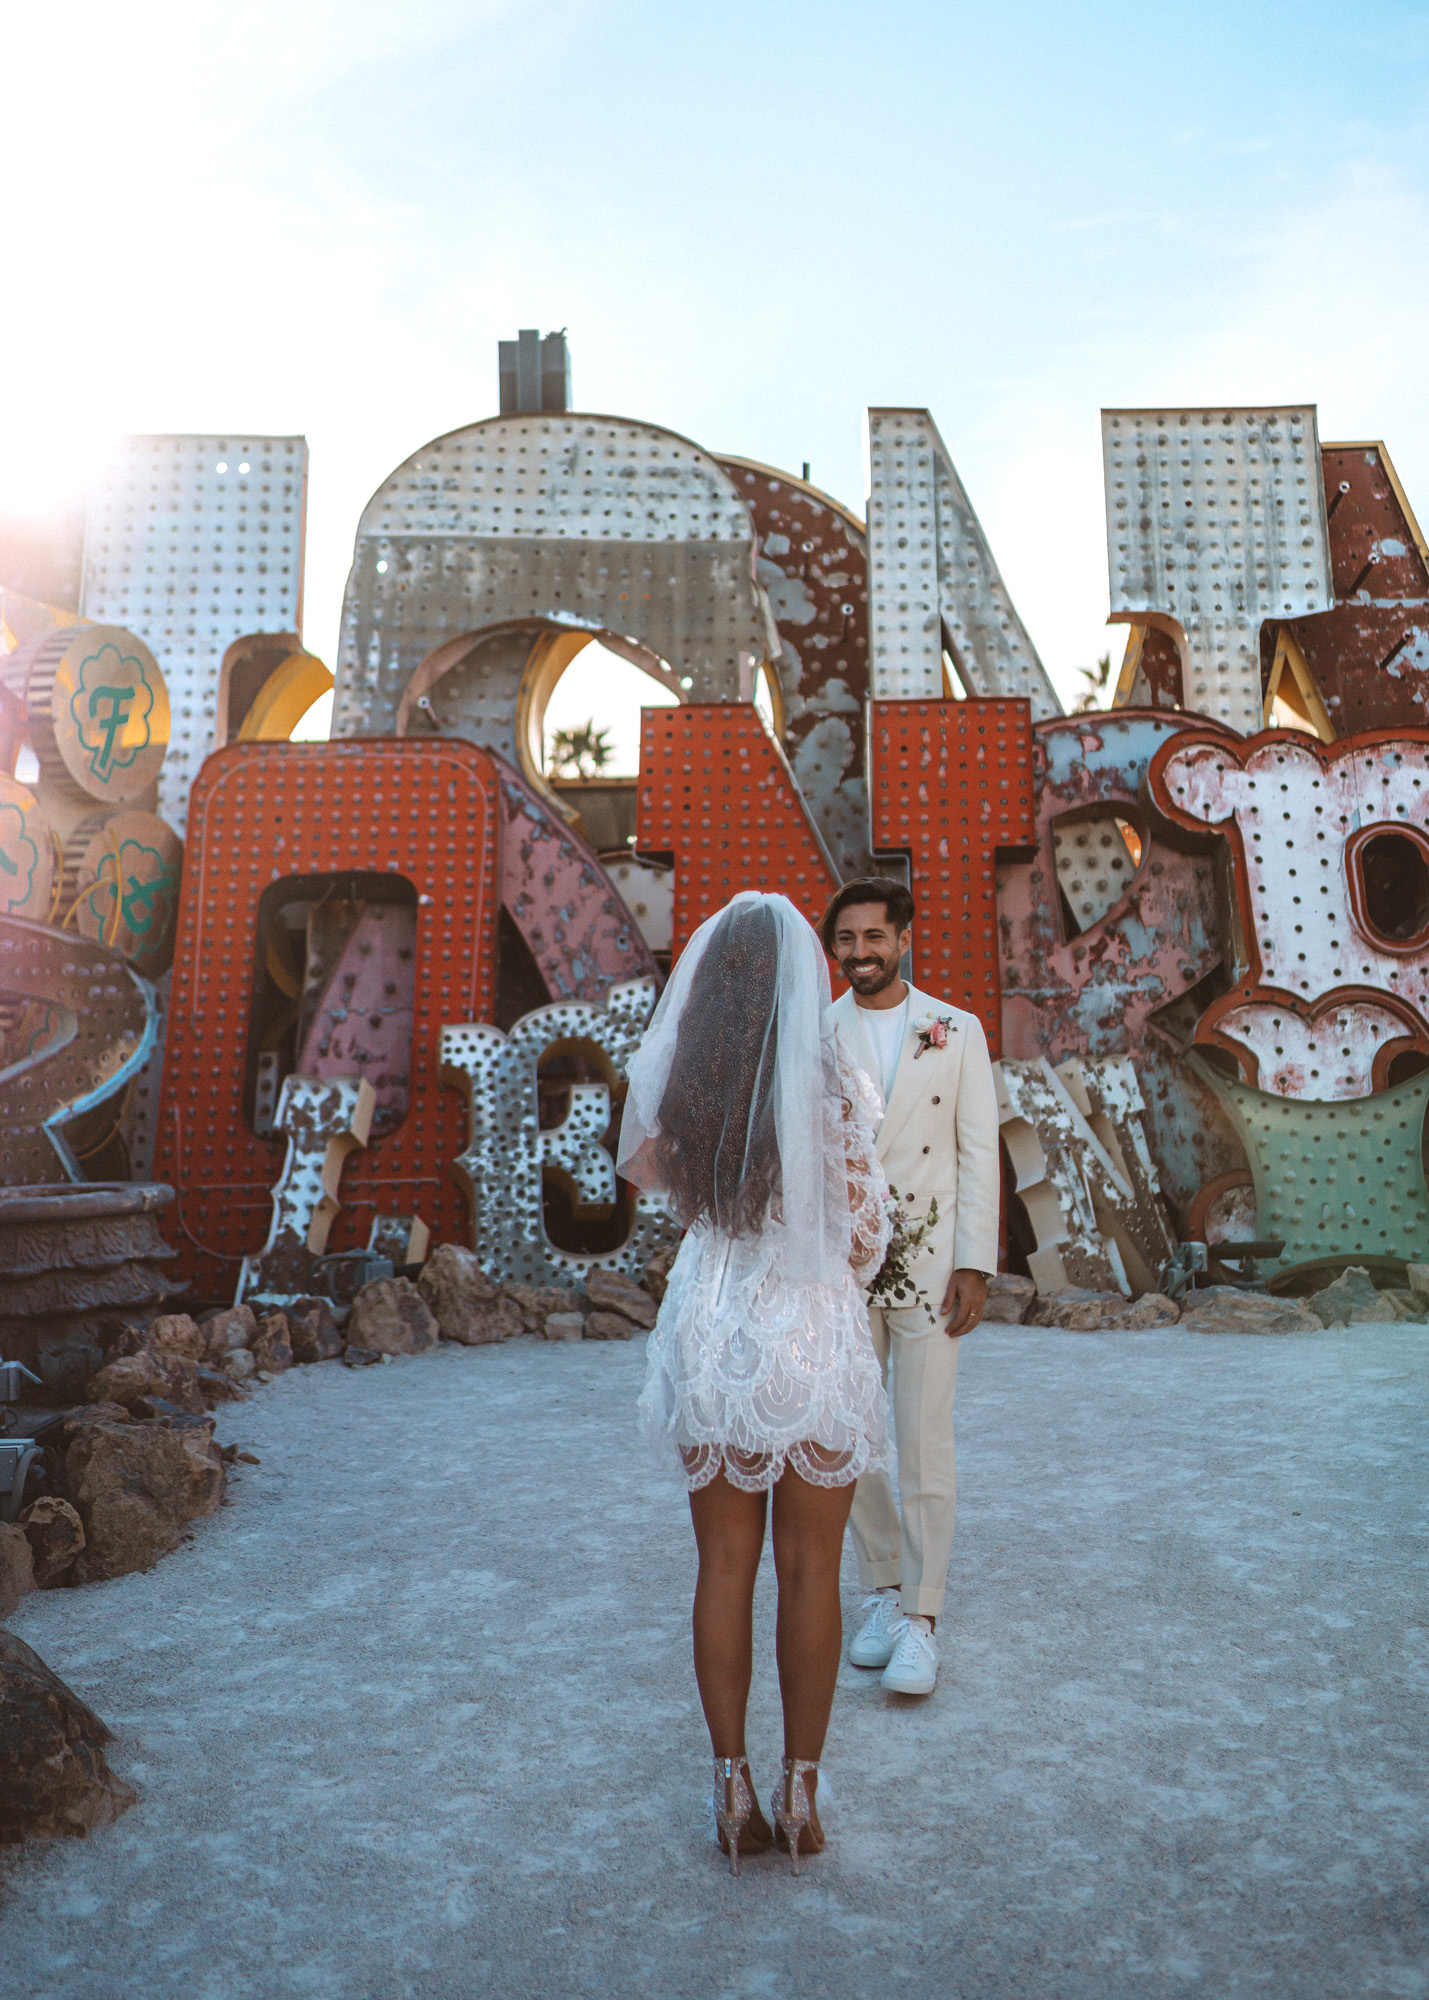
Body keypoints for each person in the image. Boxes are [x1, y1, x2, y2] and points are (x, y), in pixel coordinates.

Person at [619, 892, 892, 1876]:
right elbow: (863, 1235)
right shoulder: (833, 1089)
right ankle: (803, 1787)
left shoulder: (688, 1088)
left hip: (713, 1330)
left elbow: (660, 1183)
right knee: (814, 1569)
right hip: (808, 1334)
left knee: (723, 1565)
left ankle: (730, 1784)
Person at [822, 877, 1000, 1697]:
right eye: (845, 940)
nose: (859, 953)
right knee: (851, 1439)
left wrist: (975, 1262)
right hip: (841, 1270)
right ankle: (886, 1590)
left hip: (931, 1266)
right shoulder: (815, 1034)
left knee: (924, 1439)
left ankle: (923, 1619)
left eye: (872, 937)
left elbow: (975, 1154)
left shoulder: (955, 1030)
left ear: (904, 938)